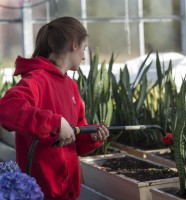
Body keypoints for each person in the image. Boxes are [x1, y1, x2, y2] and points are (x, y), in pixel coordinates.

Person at [0, 16, 109, 199]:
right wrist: (54, 123)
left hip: (69, 191)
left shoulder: (72, 86)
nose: (84, 56)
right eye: (84, 49)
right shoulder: (36, 80)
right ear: (73, 45)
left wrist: (91, 136)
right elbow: (6, 109)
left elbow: (76, 138)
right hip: (40, 192)